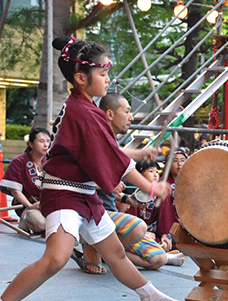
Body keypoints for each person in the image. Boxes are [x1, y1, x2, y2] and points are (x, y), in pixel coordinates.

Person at [0, 36, 182, 301]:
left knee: (116, 253)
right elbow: (111, 159)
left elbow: (104, 152)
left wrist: (135, 154)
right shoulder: (84, 112)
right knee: (55, 258)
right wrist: (151, 188)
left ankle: (148, 295)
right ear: (81, 78)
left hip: (83, 196)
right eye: (104, 74)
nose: (108, 79)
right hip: (64, 194)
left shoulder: (85, 108)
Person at [72, 92, 184, 274]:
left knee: (159, 258)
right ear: (110, 114)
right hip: (91, 213)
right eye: (127, 111)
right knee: (139, 227)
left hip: (109, 212)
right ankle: (90, 245)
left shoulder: (111, 141)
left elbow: (117, 170)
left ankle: (99, 251)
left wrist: (126, 198)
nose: (131, 117)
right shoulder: (95, 138)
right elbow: (80, 179)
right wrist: (151, 187)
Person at [0, 127, 50, 234]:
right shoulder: (19, 162)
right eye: (41, 141)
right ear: (31, 144)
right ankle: (26, 221)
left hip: (49, 205)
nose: (46, 145)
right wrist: (30, 206)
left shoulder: (50, 163)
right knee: (42, 224)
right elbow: (15, 191)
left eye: (48, 141)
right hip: (29, 206)